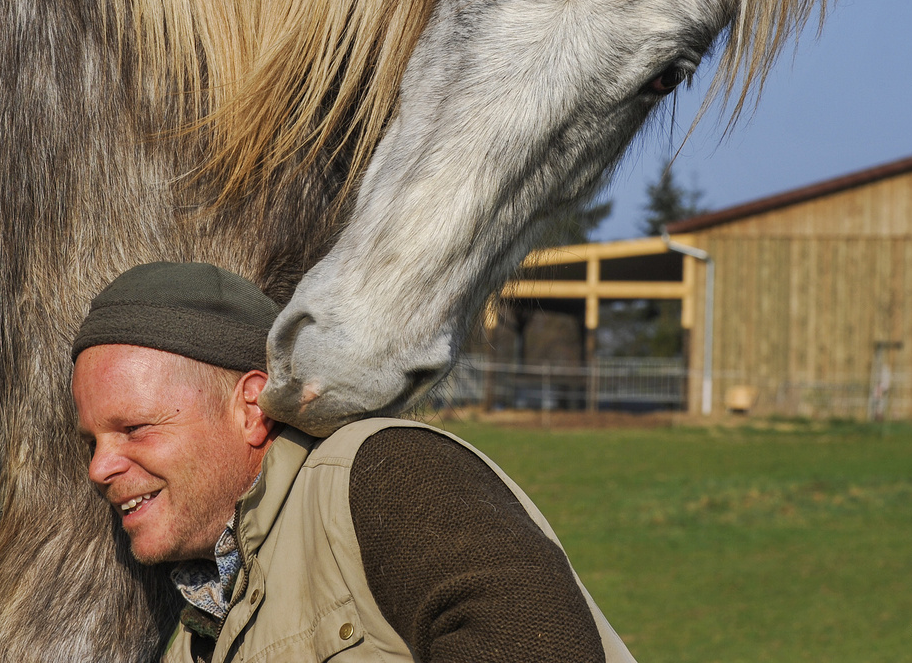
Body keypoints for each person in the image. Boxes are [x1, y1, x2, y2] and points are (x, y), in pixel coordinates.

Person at [71, 262, 637, 663]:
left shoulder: (381, 472)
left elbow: (539, 646)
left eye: (134, 429)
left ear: (250, 406)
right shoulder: (195, 635)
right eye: (91, 441)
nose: (100, 468)